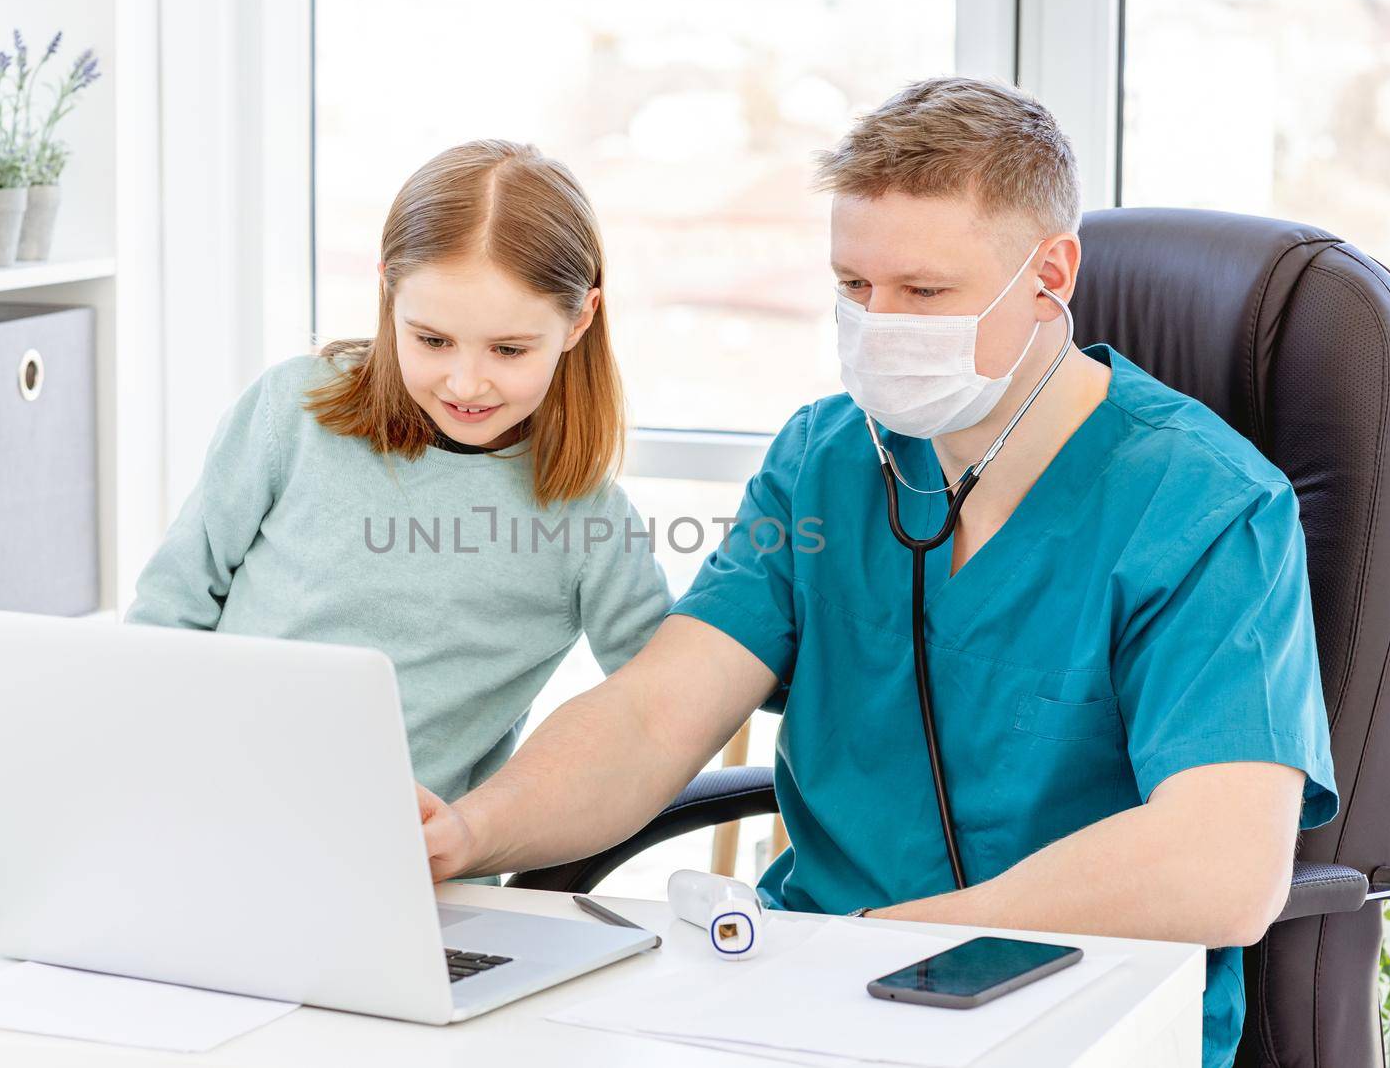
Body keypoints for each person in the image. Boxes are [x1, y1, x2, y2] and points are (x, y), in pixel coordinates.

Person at [415, 80, 1337, 1068]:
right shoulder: (825, 460)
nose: (879, 322)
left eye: (924, 292)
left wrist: (901, 939)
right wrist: (464, 833)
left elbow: (1220, 862)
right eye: (853, 287)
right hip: (800, 996)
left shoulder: (1203, 505)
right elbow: (653, 715)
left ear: (1050, 274)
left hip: (1084, 1012)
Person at [126, 139, 671, 807]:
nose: (466, 380)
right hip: (204, 810)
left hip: (414, 873)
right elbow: (169, 608)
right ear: (388, 292)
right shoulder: (294, 411)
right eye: (432, 340)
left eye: (508, 349)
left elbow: (666, 707)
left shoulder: (589, 522)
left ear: (579, 318)